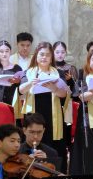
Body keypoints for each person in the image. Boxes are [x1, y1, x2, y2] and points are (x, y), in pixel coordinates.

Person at [18, 42, 70, 172]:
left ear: (51, 57)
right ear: (36, 56)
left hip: (53, 115)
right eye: (41, 54)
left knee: (53, 145)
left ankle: (54, 173)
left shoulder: (58, 73)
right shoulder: (28, 72)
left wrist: (54, 88)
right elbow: (21, 90)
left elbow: (64, 94)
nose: (44, 57)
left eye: (47, 55)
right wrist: (30, 83)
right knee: (34, 140)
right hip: (33, 114)